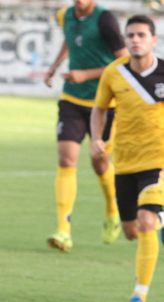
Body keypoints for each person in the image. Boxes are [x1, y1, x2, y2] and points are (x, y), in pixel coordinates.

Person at [91, 15, 164, 302]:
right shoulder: (113, 73)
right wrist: (97, 139)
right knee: (132, 231)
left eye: (141, 35)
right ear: (125, 40)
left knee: (146, 222)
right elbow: (98, 111)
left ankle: (140, 295)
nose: (135, 39)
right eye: (131, 35)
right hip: (124, 160)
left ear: (153, 40)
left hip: (158, 158)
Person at [44, 0, 127, 252]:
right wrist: (55, 66)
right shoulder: (64, 16)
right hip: (71, 100)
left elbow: (123, 62)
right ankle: (64, 230)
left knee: (100, 161)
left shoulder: (105, 20)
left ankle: (113, 210)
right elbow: (71, 40)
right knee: (66, 159)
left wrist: (86, 74)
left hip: (103, 104)